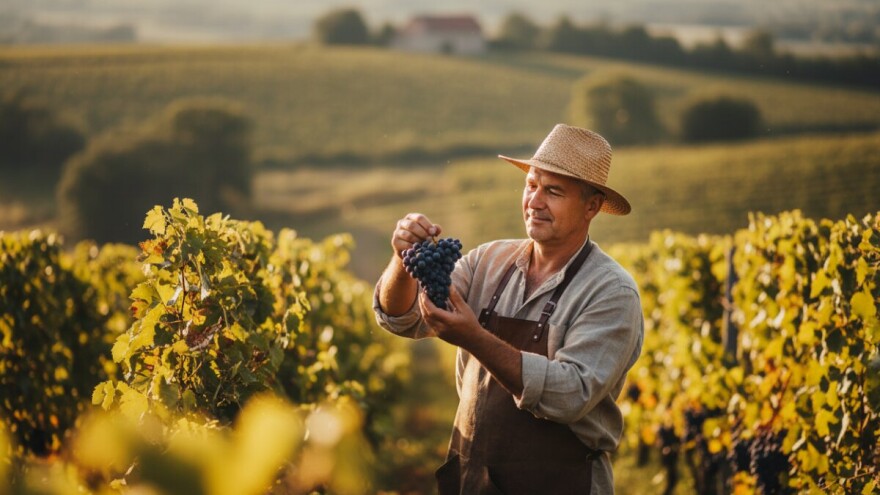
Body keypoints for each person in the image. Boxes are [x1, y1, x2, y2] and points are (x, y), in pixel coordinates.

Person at [373, 124, 644, 494]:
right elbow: (402, 319)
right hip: (471, 478)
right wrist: (402, 261)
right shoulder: (488, 260)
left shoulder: (611, 291)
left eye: (553, 191)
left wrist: (474, 337)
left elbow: (570, 395)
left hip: (560, 485)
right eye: (531, 185)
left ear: (591, 206)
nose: (534, 201)